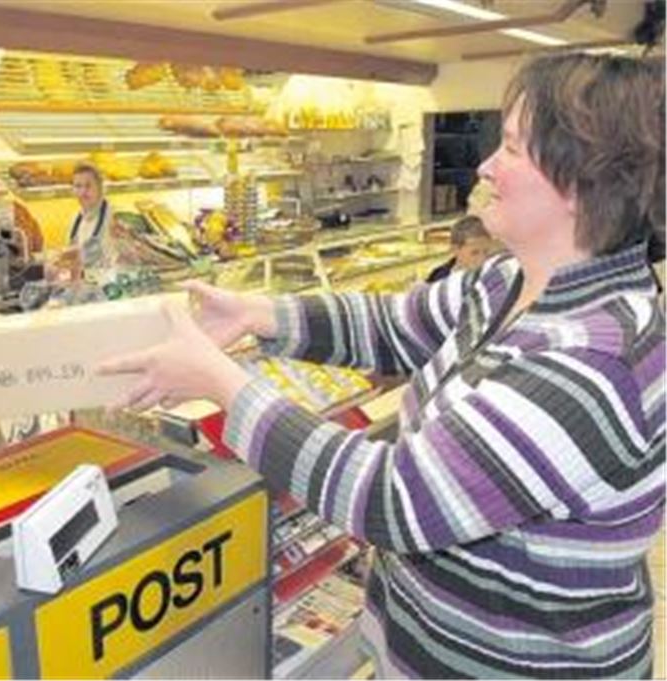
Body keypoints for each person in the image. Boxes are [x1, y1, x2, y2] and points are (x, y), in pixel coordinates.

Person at [101, 53, 664, 678]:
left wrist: (222, 384)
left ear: (582, 179)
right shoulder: (513, 280)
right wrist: (255, 314)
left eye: (510, 147)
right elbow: (398, 326)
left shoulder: (593, 361)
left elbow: (392, 499)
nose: (485, 166)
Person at [424, 214, 498, 282]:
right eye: (474, 253)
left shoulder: (495, 280)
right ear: (455, 250)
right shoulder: (438, 279)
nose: (482, 259)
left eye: (487, 252)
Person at [67, 161, 113, 270]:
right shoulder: (75, 219)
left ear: (100, 188)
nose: (83, 192)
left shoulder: (113, 218)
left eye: (88, 186)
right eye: (78, 186)